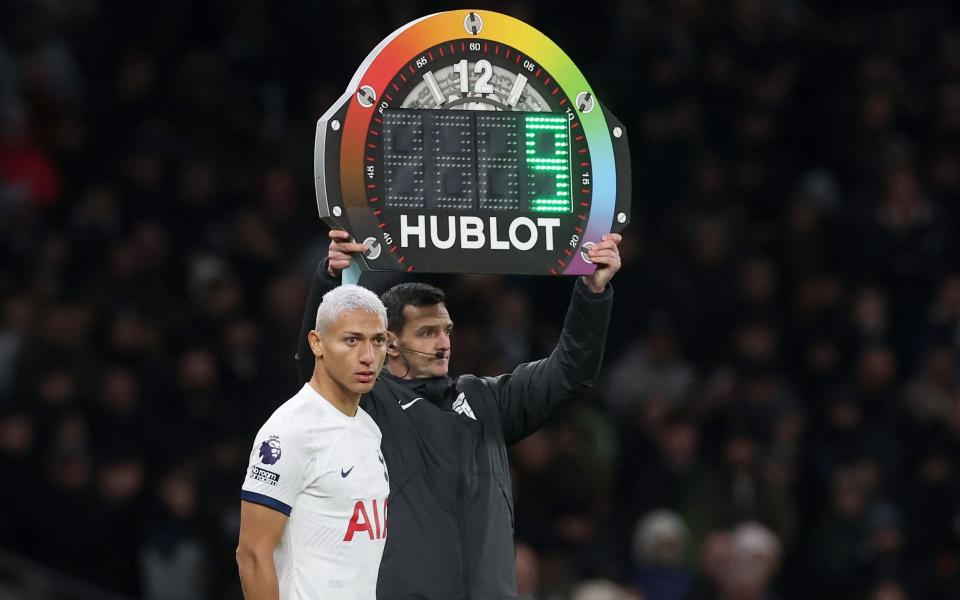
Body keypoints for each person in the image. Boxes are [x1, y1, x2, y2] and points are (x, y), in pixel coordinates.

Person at [295, 230, 621, 598]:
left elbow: (570, 373)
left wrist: (592, 293)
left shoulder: (486, 400)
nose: (443, 343)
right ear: (391, 345)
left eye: (446, 331)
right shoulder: (371, 404)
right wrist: (330, 279)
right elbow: (320, 367)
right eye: (427, 333)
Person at [237, 285, 391, 600]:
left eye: (378, 341)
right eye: (352, 340)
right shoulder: (290, 430)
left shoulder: (369, 429)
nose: (368, 356)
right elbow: (252, 555)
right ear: (317, 343)